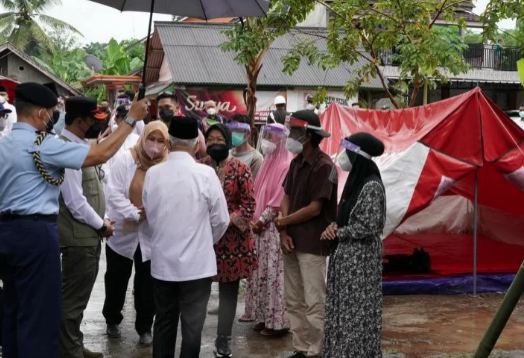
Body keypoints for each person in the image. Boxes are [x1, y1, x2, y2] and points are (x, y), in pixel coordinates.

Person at [0, 82, 148, 358]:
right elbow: (100, 154)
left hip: (6, 232)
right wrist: (131, 119)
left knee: (12, 308)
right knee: (39, 314)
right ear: (42, 114)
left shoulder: (3, 142)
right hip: (36, 234)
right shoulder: (44, 146)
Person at [143, 116, 230, 358]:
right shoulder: (205, 175)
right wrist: (203, 241)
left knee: (163, 323)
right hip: (197, 268)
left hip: (163, 265)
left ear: (168, 143)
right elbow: (222, 220)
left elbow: (150, 216)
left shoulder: (153, 174)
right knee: (192, 329)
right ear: (196, 145)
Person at [274, 110, 337, 358]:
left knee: (313, 300)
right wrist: (284, 230)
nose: (290, 135)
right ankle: (301, 347)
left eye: (294, 131)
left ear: (307, 136)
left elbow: (315, 208)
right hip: (291, 240)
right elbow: (286, 197)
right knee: (293, 298)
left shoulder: (324, 165)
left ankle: (316, 350)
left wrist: (283, 224)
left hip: (313, 243)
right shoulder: (296, 162)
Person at [103, 121, 169, 346]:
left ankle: (144, 327)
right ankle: (112, 318)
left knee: (147, 285)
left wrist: (155, 212)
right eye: (152, 139)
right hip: (123, 232)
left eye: (161, 141)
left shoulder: (166, 165)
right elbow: (113, 193)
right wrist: (133, 211)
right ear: (143, 138)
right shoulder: (126, 159)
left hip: (151, 235)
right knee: (116, 280)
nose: (155, 146)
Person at [321, 132, 386, 358]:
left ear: (358, 157)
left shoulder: (370, 186)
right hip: (347, 260)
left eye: (347, 152)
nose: (343, 157)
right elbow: (346, 219)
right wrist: (334, 228)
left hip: (359, 261)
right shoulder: (355, 183)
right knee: (344, 311)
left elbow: (366, 227)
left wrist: (339, 232)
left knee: (357, 312)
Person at [58, 97, 113, 358]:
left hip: (87, 237)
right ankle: (70, 352)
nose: (95, 124)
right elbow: (75, 201)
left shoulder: (79, 146)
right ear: (80, 121)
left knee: (78, 300)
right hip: (79, 238)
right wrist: (102, 225)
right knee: (72, 302)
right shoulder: (66, 149)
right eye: (92, 120)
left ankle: (74, 345)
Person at [201, 124, 258, 358]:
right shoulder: (200, 168)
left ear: (228, 142)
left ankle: (223, 340)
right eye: (210, 139)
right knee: (199, 291)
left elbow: (249, 205)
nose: (215, 143)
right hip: (203, 241)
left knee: (228, 294)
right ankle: (193, 335)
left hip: (232, 243)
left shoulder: (241, 168)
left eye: (219, 139)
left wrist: (224, 220)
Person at [245, 123, 293, 336]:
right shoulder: (268, 163)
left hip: (273, 230)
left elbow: (278, 201)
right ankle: (263, 317)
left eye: (273, 138)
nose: (268, 141)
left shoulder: (285, 164)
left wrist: (260, 221)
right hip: (259, 231)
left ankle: (277, 323)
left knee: (274, 277)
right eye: (267, 136)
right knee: (259, 276)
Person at [157, 92, 207, 159]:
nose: (163, 110)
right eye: (160, 108)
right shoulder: (156, 128)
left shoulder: (188, 127)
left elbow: (204, 154)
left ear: (177, 108)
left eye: (167, 107)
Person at [100, 104, 140, 186]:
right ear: (116, 119)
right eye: (125, 118)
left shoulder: (140, 141)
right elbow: (104, 171)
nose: (130, 121)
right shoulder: (105, 142)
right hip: (112, 191)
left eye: (132, 118)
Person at [228, 114, 264, 179]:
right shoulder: (227, 154)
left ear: (247, 133)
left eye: (238, 130)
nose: (233, 133)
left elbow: (254, 184)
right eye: (232, 130)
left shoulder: (256, 158)